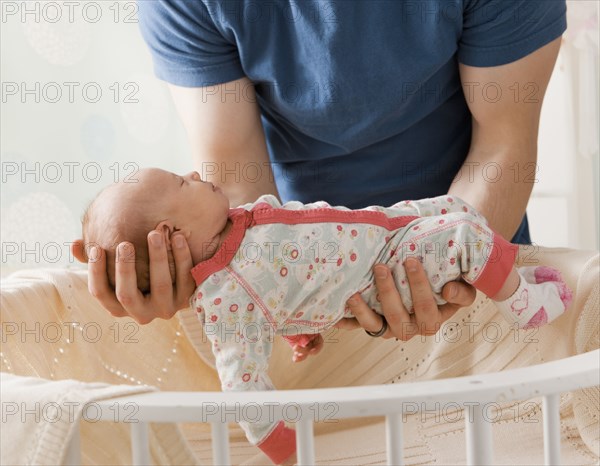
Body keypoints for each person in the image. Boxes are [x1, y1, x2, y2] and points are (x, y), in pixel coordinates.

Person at [73, 1, 566, 341]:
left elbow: (503, 146)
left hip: (473, 253)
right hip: (301, 286)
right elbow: (235, 180)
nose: (193, 179)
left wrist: (442, 267)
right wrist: (215, 271)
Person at [77, 167, 571, 464]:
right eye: (182, 181)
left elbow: (289, 293)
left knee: (458, 207)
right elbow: (241, 374)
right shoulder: (225, 292)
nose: (196, 173)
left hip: (381, 227)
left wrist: (302, 326)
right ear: (172, 233)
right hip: (382, 274)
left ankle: (509, 275)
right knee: (461, 236)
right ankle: (523, 304)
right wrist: (278, 441)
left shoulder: (235, 225)